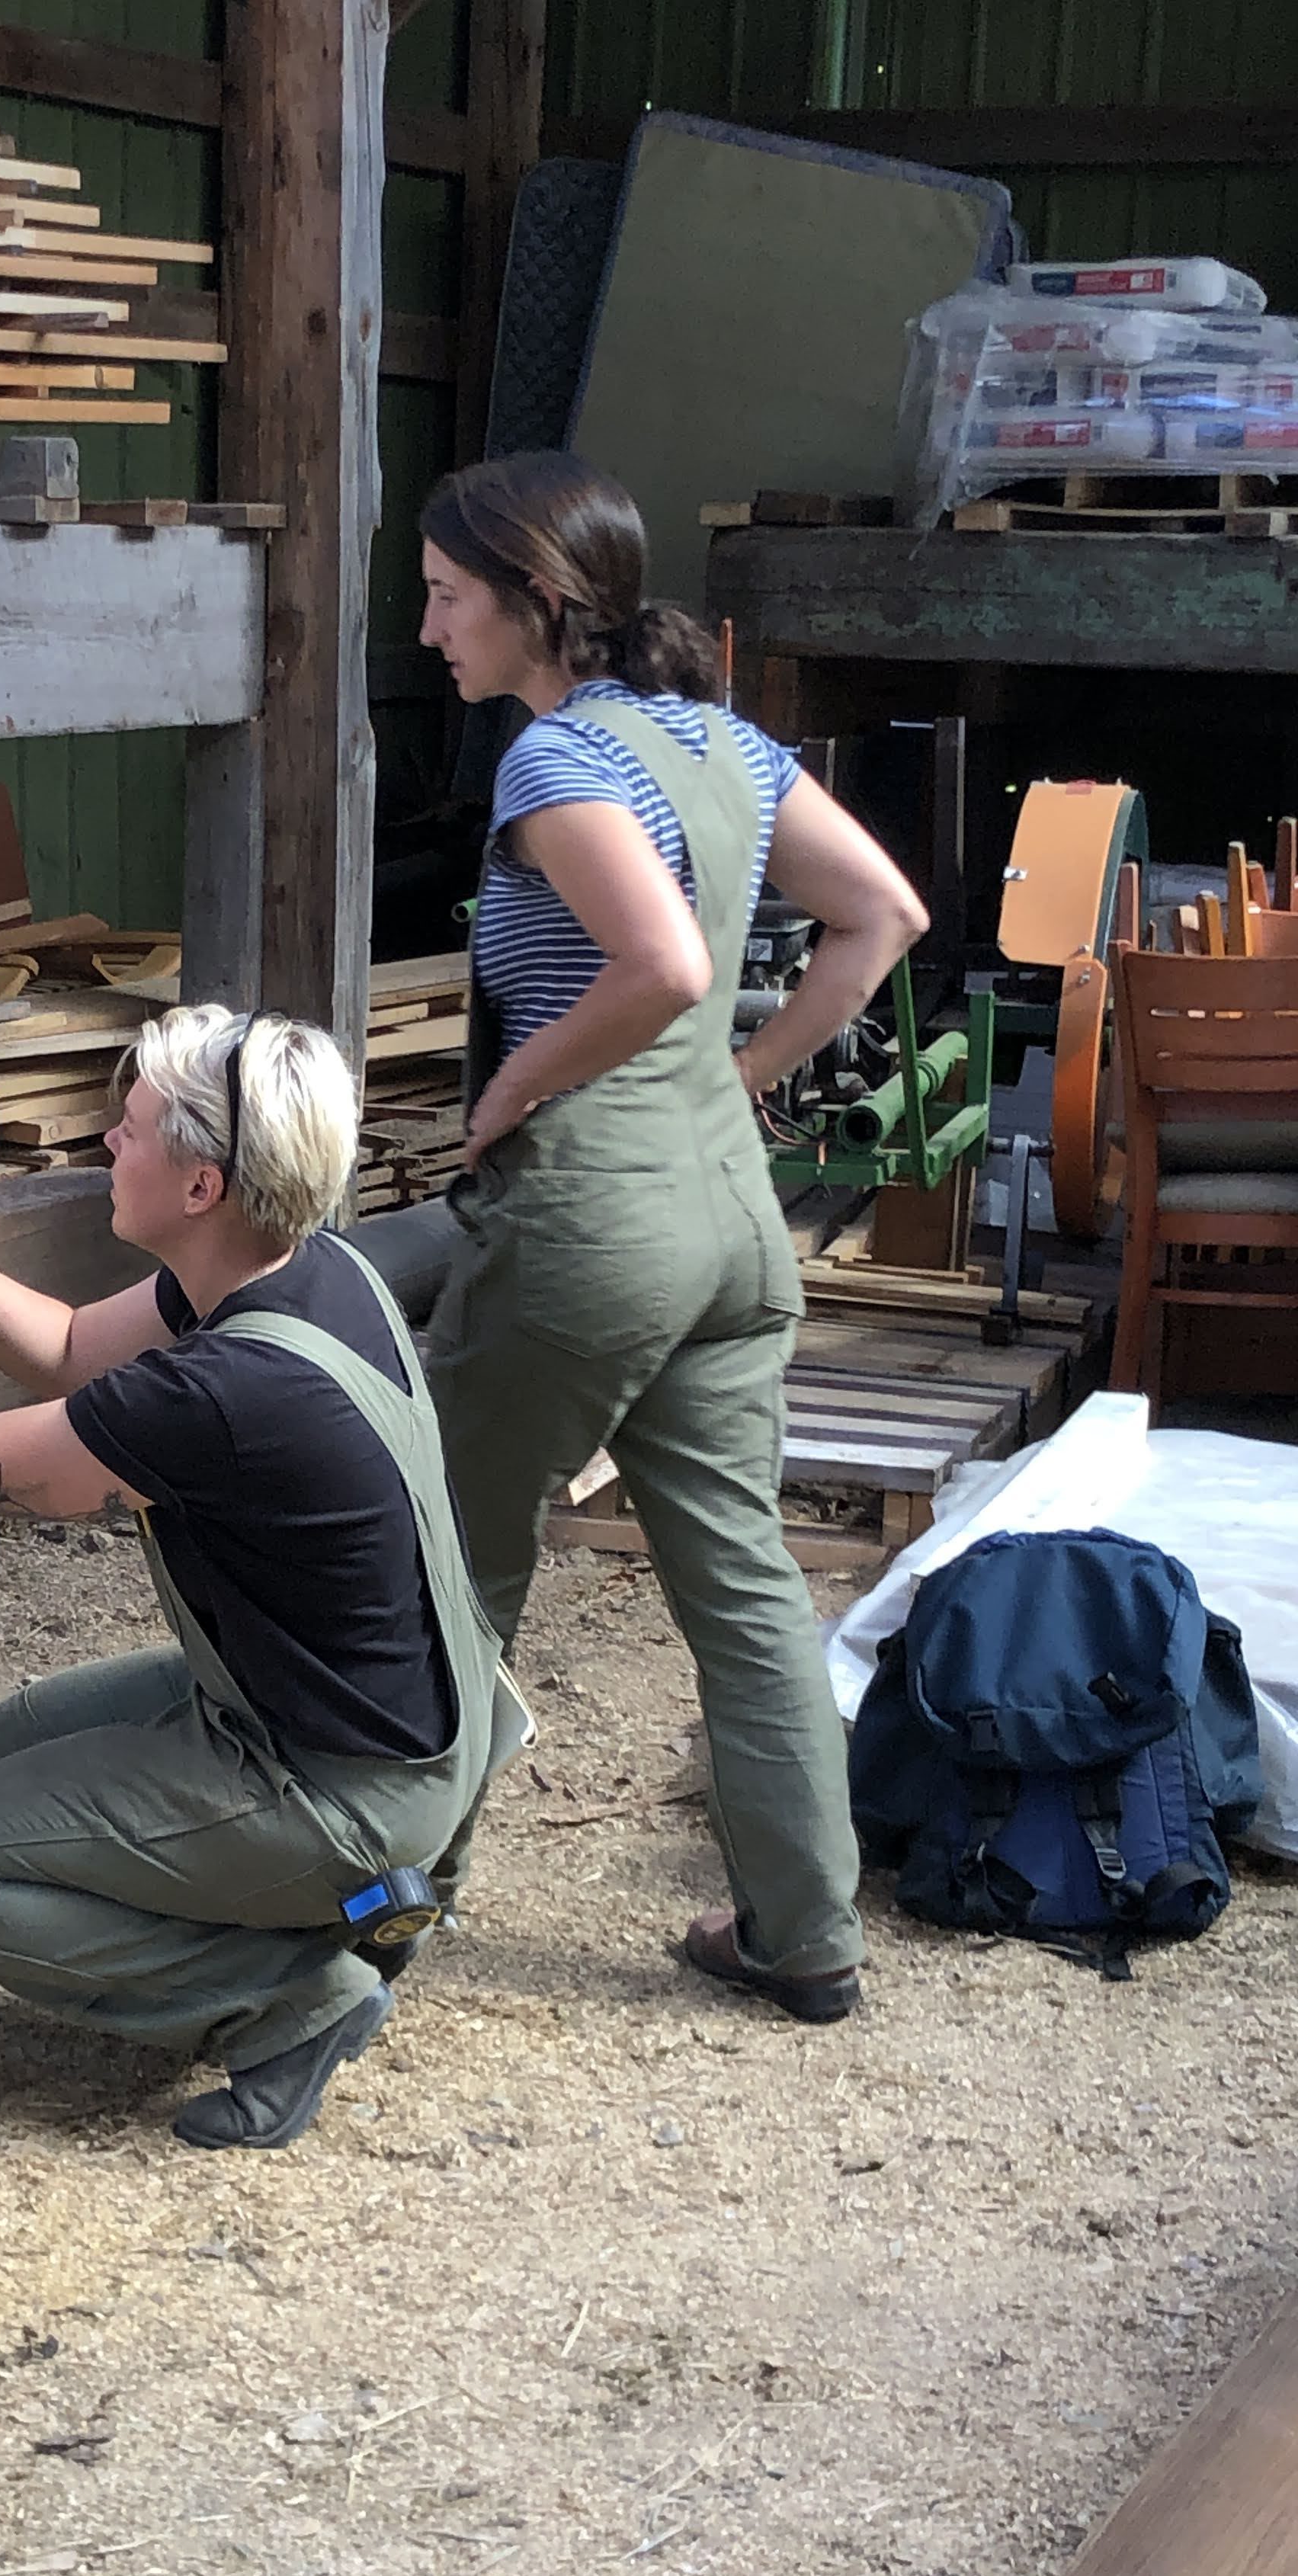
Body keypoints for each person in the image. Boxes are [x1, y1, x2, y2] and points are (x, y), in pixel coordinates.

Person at [0, 1004, 525, 2151]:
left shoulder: (224, 1392)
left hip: (337, 1785)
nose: (109, 1143)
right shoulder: (308, 1271)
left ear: (204, 1184)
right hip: (376, 1727)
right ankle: (313, 1922)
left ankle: (285, 2001)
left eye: (133, 1127)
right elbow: (65, 1348)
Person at [417, 451, 929, 2023]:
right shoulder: (725, 745)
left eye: (446, 599)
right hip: (726, 1222)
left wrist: (510, 1083)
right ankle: (804, 1933)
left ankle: (370, 1904)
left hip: (593, 1226)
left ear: (533, 603)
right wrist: (744, 1081)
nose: (430, 632)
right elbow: (887, 918)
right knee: (744, 1582)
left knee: (450, 1563)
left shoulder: (553, 761)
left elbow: (656, 960)